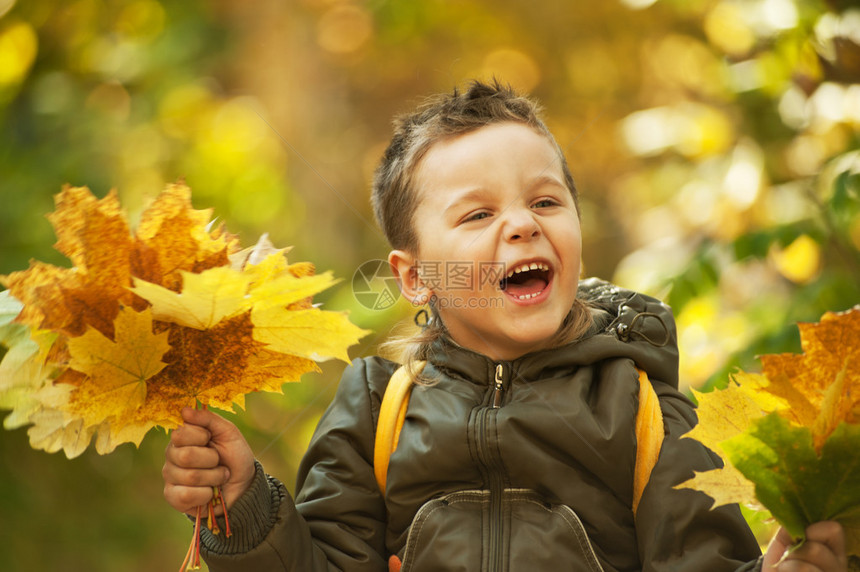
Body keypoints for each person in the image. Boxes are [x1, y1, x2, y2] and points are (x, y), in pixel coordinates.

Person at [163, 80, 848, 571]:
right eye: (477, 215)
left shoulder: (640, 408)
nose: (523, 223)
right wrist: (247, 505)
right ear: (414, 277)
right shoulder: (378, 407)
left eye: (545, 201)